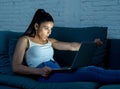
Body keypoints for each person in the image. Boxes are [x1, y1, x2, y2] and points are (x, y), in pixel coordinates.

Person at [12, 9, 120, 84]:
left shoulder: (50, 41)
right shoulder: (25, 40)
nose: (49, 32)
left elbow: (71, 46)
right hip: (44, 74)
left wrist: (93, 44)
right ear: (36, 26)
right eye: (46, 28)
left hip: (57, 70)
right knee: (91, 72)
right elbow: (16, 67)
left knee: (92, 69)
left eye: (51, 29)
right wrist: (39, 71)